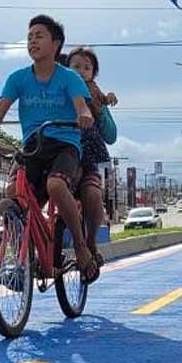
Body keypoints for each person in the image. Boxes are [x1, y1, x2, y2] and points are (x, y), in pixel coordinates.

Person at [0, 14, 98, 281]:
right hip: (32, 145)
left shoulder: (69, 78)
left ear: (56, 44)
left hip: (64, 143)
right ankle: (21, 262)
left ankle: (81, 247)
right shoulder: (18, 78)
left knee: (56, 186)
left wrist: (85, 116)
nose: (33, 41)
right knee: (12, 193)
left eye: (40, 36)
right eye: (30, 37)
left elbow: (82, 106)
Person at [65, 46, 117, 269]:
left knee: (92, 193)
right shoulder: (59, 85)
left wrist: (106, 104)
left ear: (93, 73)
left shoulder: (94, 90)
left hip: (87, 148)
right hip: (60, 144)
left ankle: (89, 244)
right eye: (76, 66)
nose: (81, 71)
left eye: (86, 68)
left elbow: (110, 133)